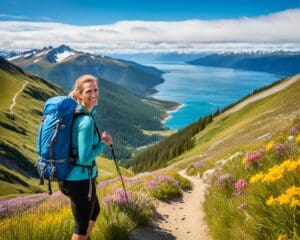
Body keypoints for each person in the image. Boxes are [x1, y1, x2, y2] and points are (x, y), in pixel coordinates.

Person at [58, 74, 112, 240]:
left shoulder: (74, 114)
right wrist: (104, 143)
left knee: (94, 211)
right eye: (89, 91)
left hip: (70, 176)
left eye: (96, 90)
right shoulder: (86, 121)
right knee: (80, 229)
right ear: (79, 94)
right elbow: (85, 158)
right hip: (80, 181)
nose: (94, 94)